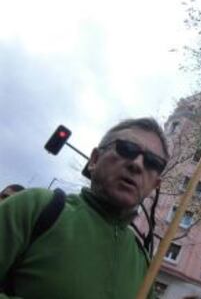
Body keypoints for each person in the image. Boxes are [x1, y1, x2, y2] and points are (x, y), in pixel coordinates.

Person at [0, 118, 169, 299]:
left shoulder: (142, 263)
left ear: (154, 185)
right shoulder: (34, 207)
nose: (137, 164)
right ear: (94, 159)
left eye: (152, 162)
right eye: (127, 149)